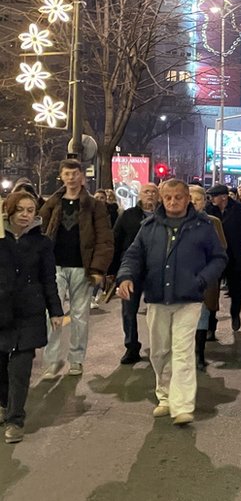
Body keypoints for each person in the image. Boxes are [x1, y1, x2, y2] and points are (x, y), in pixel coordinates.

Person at [116, 180, 227, 426]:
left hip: (189, 299)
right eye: (168, 197)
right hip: (157, 298)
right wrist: (125, 277)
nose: (173, 202)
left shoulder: (203, 226)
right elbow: (133, 256)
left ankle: (183, 405)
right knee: (159, 351)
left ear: (187, 198)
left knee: (183, 351)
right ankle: (164, 396)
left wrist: (201, 280)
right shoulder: (149, 227)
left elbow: (219, 258)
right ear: (161, 199)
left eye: (178, 197)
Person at [0, 193, 66, 444]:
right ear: (9, 210)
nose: (26, 215)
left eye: (30, 210)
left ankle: (15, 419)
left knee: (20, 368)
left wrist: (56, 311)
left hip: (29, 311)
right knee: (1, 367)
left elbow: (49, 279)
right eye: (21, 210)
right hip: (2, 311)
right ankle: (4, 404)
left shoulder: (42, 243)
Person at [39, 159, 114, 379]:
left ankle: (76, 360)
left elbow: (104, 239)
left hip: (83, 268)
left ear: (82, 176)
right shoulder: (52, 203)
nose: (71, 178)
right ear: (61, 176)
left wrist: (98, 268)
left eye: (75, 174)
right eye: (67, 174)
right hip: (55, 266)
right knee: (51, 314)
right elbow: (40, 231)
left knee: (80, 316)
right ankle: (51, 361)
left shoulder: (94, 205)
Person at [109, 182, 160, 364]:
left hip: (157, 270)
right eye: (147, 191)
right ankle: (131, 346)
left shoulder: (164, 216)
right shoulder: (128, 216)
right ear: (139, 195)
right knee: (129, 310)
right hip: (131, 270)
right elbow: (115, 240)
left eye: (154, 192)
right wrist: (113, 271)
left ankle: (160, 347)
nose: (150, 195)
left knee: (158, 310)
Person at [206, 183, 241, 334]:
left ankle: (235, 313)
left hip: (234, 256)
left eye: (214, 196)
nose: (211, 199)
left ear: (224, 196)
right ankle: (211, 324)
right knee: (211, 291)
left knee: (237, 290)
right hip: (214, 257)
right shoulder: (208, 210)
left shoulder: (239, 210)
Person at [187, 185, 227, 370]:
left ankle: (199, 355)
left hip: (205, 277)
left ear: (204, 202)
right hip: (182, 277)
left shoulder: (213, 222)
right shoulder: (176, 221)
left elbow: (222, 248)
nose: (194, 203)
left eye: (198, 200)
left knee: (202, 316)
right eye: (191, 199)